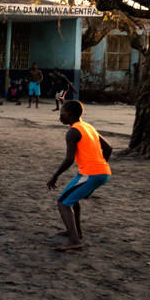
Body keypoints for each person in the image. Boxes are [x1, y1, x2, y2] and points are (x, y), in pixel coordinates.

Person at [47, 100, 112, 251]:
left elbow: (69, 159)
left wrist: (55, 175)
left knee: (63, 203)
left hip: (91, 173)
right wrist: (101, 165)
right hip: (100, 172)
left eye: (61, 113)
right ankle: (76, 232)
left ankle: (74, 240)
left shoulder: (73, 132)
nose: (60, 117)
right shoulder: (88, 127)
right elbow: (108, 148)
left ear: (70, 115)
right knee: (72, 199)